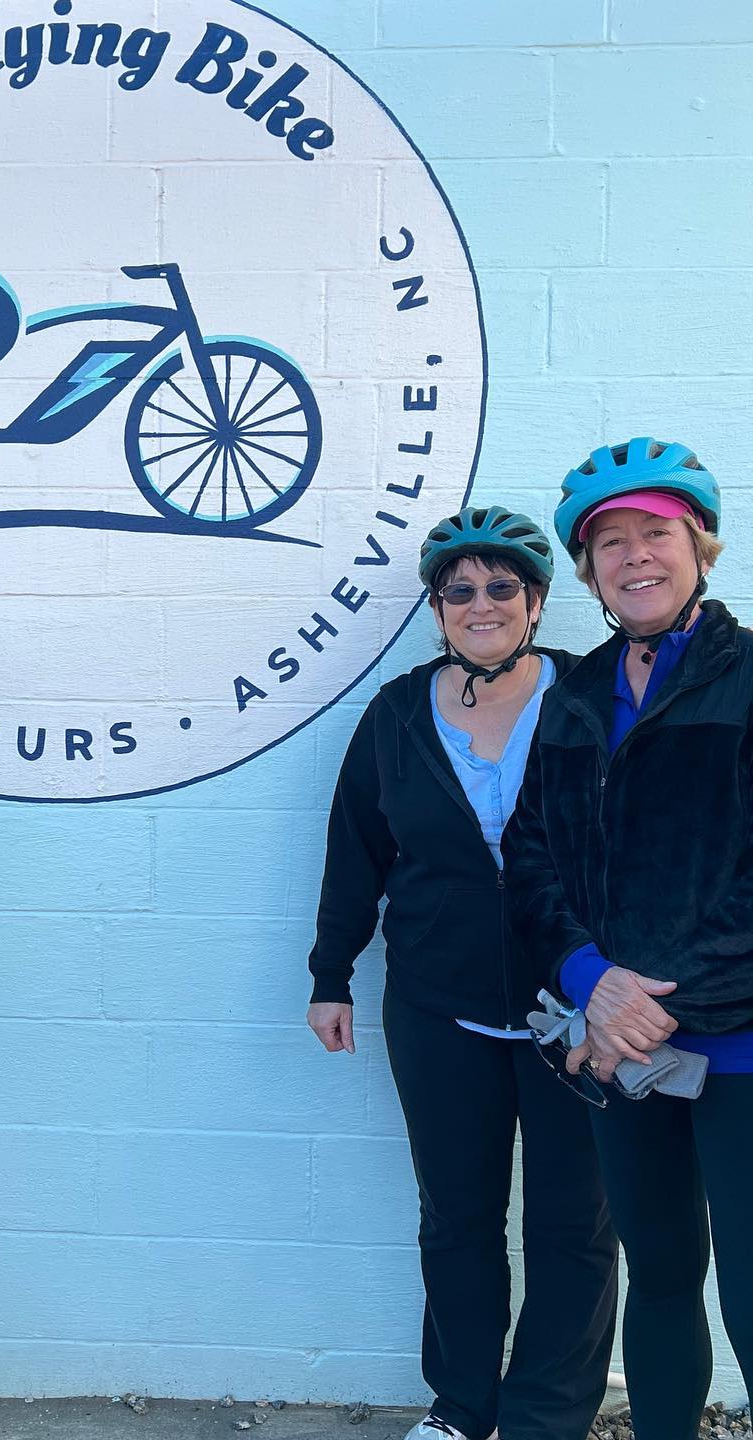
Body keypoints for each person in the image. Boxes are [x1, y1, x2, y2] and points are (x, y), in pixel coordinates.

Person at [306, 505, 617, 1440]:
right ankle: (463, 1408)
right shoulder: (398, 713)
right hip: (438, 1006)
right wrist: (332, 971)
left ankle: (547, 1417)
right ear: (438, 607)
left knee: (572, 1225)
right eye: (459, 591)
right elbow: (355, 847)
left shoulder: (591, 699)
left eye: (501, 587)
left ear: (535, 600)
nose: (480, 604)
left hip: (577, 1006)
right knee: (456, 1217)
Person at [503, 438, 753, 1440]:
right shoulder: (575, 695)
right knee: (657, 1277)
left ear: (701, 548)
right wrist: (591, 979)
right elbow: (532, 857)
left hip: (735, 1044)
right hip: (620, 1048)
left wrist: (655, 1000)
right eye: (609, 541)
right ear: (587, 568)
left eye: (655, 532)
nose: (633, 556)